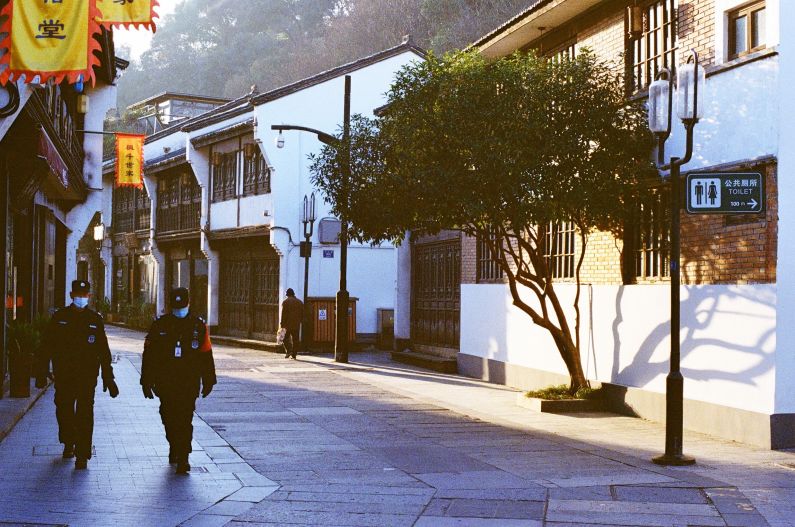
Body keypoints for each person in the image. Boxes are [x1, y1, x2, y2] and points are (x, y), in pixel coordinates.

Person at [36, 280, 119, 470]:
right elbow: (46, 345)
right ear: (71, 295)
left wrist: (109, 378)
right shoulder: (60, 318)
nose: (81, 298)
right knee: (63, 409)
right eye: (78, 295)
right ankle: (68, 441)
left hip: (87, 378)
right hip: (64, 376)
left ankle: (82, 454)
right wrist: (41, 371)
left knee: (84, 414)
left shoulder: (95, 320)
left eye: (84, 295)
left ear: (88, 296)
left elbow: (104, 352)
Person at [141, 287, 216, 474]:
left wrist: (209, 380)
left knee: (185, 418)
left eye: (182, 305)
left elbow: (206, 354)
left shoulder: (198, 326)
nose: (179, 309)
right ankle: (174, 445)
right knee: (168, 416)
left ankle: (183, 456)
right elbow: (149, 355)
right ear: (170, 305)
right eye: (176, 305)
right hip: (166, 383)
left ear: (188, 304)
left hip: (188, 382)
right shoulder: (160, 325)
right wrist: (146, 381)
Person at [280, 288, 304, 359]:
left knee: (284, 338)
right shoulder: (300, 302)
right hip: (296, 324)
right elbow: (302, 313)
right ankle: (294, 354)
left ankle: (289, 350)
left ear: (287, 294)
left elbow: (283, 314)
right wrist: (301, 321)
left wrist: (282, 324)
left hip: (287, 324)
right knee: (295, 339)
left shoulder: (285, 302)